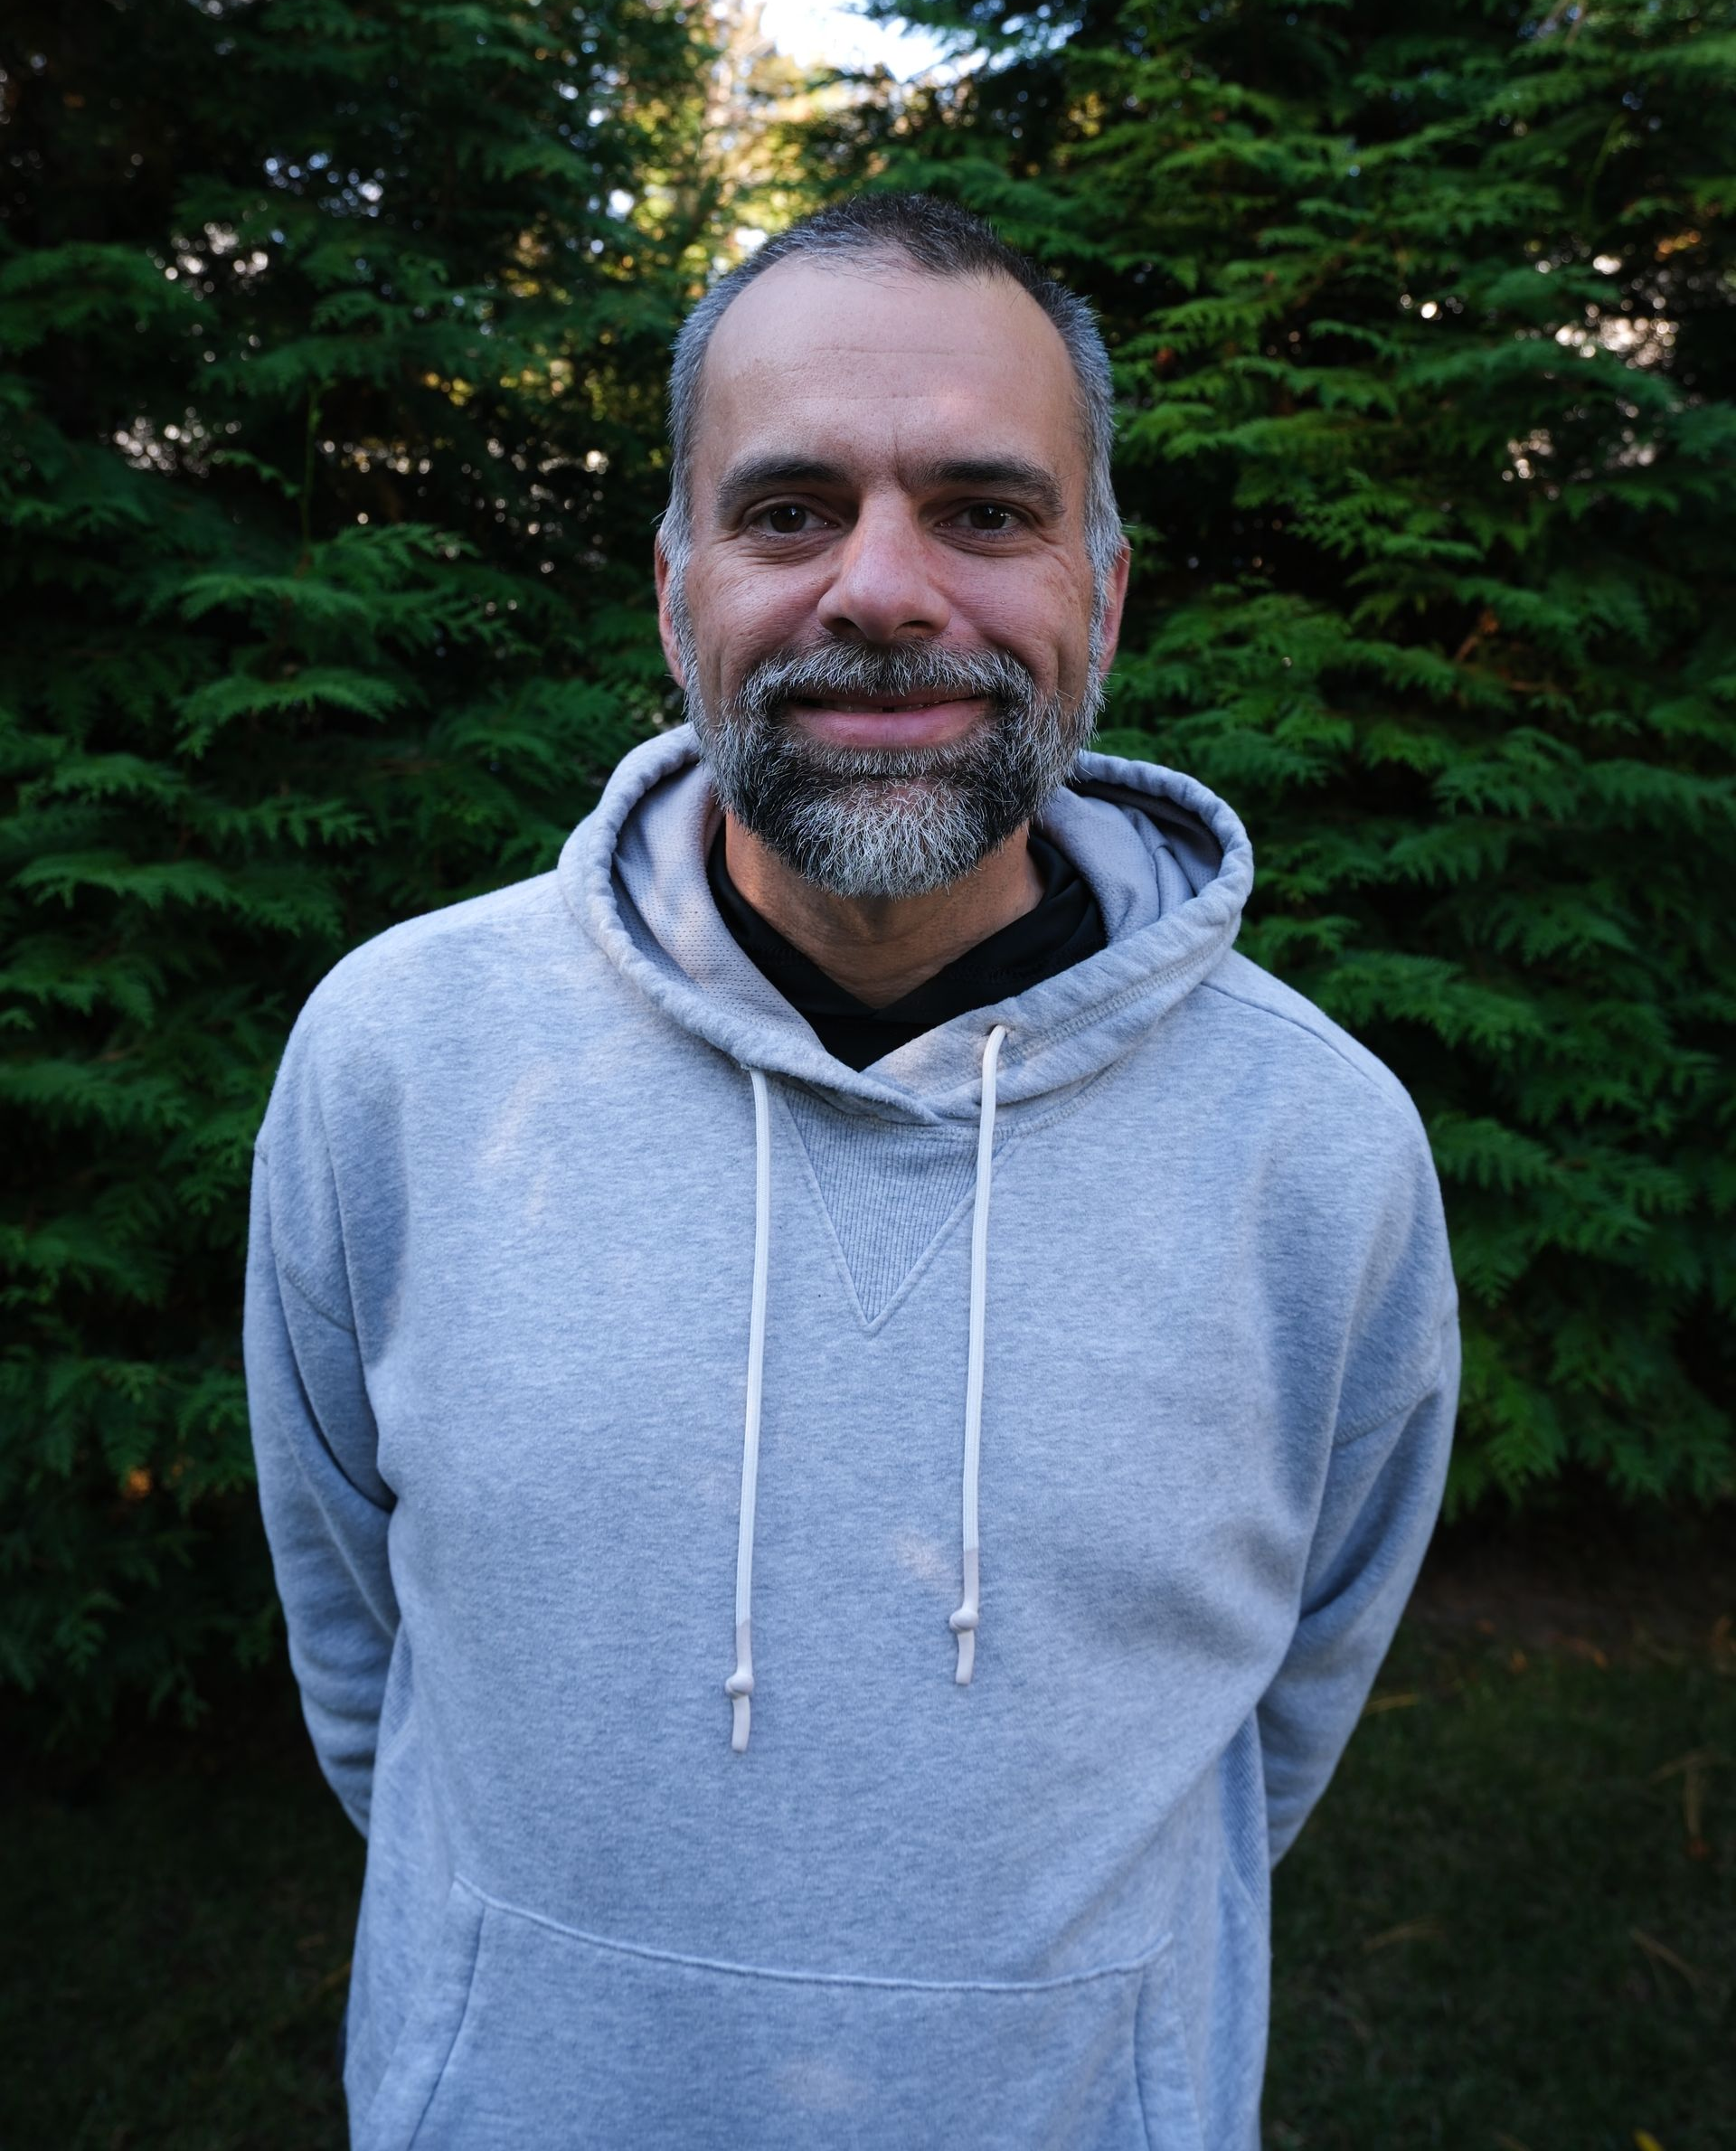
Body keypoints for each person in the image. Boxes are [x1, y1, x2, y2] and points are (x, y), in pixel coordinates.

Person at [246, 193, 1458, 2151]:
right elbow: (355, 1634)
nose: (882, 590)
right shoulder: (398, 1060)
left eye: (986, 512)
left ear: (1109, 595)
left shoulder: (1315, 1151)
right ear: (672, 590)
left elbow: (1284, 1708)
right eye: (790, 511)